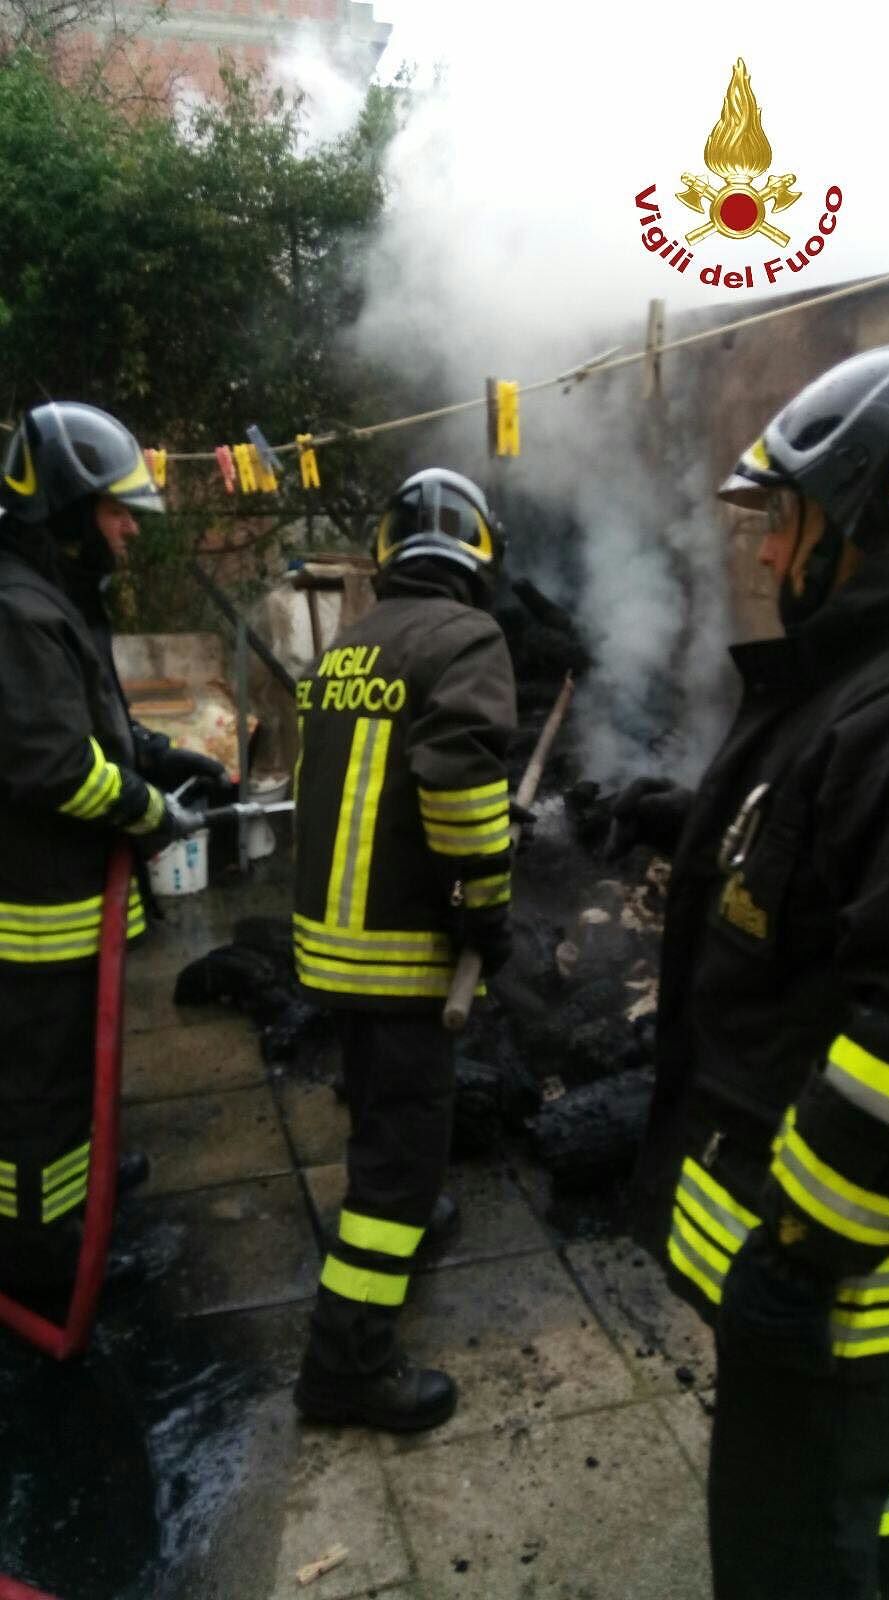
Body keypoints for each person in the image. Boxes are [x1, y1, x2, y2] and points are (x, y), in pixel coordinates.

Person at [613, 348, 889, 1599]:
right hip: (809, 1305)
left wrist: (794, 1254)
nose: (769, 555)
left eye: (785, 520)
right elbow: (818, 863)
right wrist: (687, 817)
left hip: (838, 1306)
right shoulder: (856, 694)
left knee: (804, 1562)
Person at [292, 467, 517, 1432]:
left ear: (387, 555)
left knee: (377, 1104)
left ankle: (401, 1225)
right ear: (478, 556)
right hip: (399, 954)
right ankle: (347, 1366)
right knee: (402, 1153)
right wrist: (486, 909)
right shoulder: (467, 637)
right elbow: (461, 782)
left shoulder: (349, 645)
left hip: (332, 946)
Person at [0, 400, 213, 1314]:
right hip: (35, 913)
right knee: (37, 1097)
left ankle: (79, 1191)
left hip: (71, 903)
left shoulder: (54, 598)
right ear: (67, 505)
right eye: (118, 511)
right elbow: (52, 765)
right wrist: (148, 812)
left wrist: (172, 762)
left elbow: (100, 729)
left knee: (79, 1075)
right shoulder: (17, 607)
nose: (131, 528)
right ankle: (38, 1260)